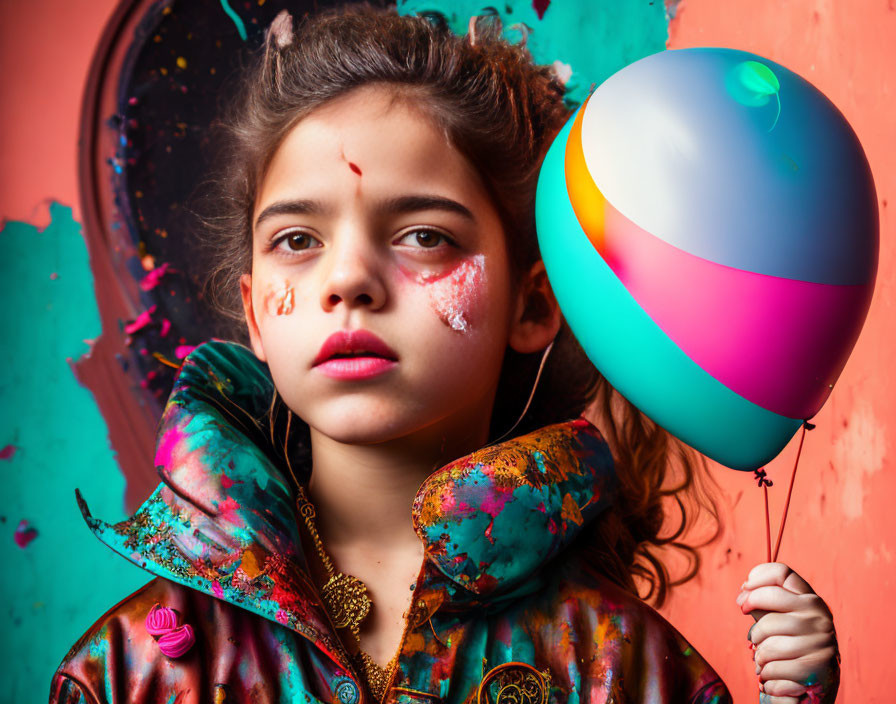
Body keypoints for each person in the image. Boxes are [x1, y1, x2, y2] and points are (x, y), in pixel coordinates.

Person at [50, 6, 840, 703]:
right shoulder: (130, 672)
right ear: (256, 313)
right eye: (297, 240)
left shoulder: (626, 670)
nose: (349, 278)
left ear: (531, 303)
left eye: (424, 235)